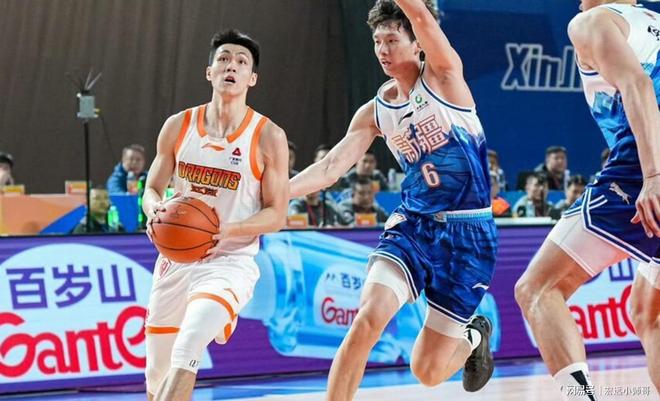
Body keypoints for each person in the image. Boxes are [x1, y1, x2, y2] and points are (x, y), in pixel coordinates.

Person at [289, 0, 498, 398]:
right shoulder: (375, 111)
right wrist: (275, 193)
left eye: (391, 40)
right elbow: (331, 167)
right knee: (366, 321)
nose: (382, 50)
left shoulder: (444, 77)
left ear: (417, 42)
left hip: (469, 233)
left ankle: (473, 337)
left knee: (428, 371)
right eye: (377, 41)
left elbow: (419, 14)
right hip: (414, 227)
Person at [515, 2, 660, 399]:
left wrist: (653, 176)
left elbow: (637, 85)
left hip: (641, 165)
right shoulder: (653, 23)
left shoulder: (593, 20)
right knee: (647, 311)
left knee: (537, 289)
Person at [141, 29, 289, 401]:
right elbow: (151, 189)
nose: (231, 66)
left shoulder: (268, 136)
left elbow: (276, 214)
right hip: (176, 260)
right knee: (157, 374)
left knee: (188, 347)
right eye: (223, 59)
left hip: (229, 261)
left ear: (252, 78)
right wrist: (154, 210)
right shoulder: (178, 125)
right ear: (209, 72)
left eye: (241, 62)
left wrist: (229, 229)